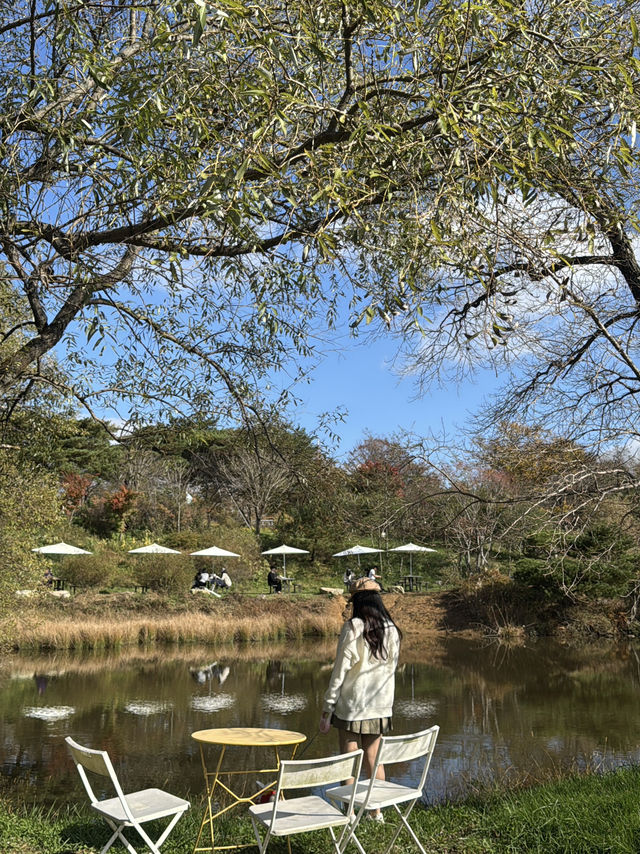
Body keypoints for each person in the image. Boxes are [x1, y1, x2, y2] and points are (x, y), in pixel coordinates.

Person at [319, 577, 402, 822]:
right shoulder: (391, 629)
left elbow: (339, 671)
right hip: (380, 706)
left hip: (351, 707)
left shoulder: (353, 627)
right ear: (378, 600)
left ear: (357, 600)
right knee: (374, 760)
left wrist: (327, 707)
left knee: (349, 760)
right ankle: (376, 812)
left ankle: (350, 812)